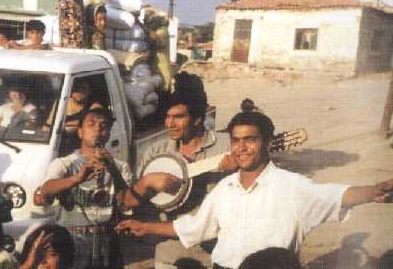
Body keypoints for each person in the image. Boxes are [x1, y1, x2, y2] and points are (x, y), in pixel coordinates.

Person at [117, 112, 393, 269]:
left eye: (250, 140)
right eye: (236, 141)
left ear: (267, 141)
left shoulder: (291, 186)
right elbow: (193, 227)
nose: (241, 148)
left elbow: (336, 195)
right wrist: (146, 227)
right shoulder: (225, 188)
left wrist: (373, 190)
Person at [40, 107, 179, 268]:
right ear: (80, 132)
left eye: (104, 125)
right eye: (91, 124)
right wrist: (77, 178)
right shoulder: (64, 163)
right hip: (72, 240)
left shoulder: (120, 167)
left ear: (108, 134)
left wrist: (112, 169)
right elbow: (46, 189)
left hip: (108, 242)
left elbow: (126, 203)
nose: (98, 129)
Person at [137, 72, 237, 268]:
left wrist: (237, 173)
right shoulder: (156, 152)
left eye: (178, 117)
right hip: (170, 250)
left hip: (218, 248)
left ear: (198, 119)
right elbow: (141, 203)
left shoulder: (228, 147)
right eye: (167, 116)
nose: (169, 124)